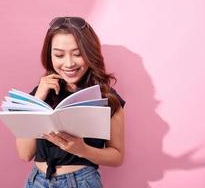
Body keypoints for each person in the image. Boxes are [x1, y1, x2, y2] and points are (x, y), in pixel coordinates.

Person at [16, 17, 125, 188]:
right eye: (59, 55)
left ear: (90, 53)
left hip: (81, 182)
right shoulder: (42, 93)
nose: (69, 63)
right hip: (37, 181)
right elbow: (24, 154)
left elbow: (117, 156)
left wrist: (82, 150)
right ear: (49, 55)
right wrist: (37, 100)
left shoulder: (107, 98)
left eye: (78, 54)